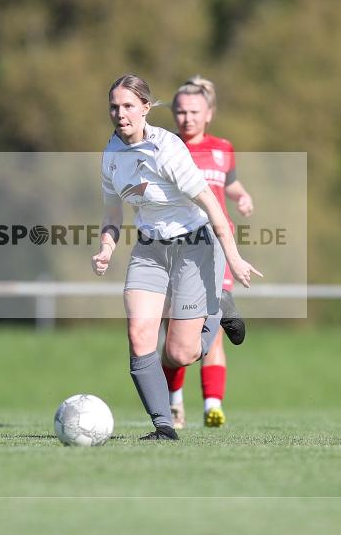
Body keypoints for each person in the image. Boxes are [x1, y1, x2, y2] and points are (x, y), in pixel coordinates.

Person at [92, 74, 262, 441]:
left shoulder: (167, 148)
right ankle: (163, 426)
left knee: (182, 352)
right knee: (139, 335)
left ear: (146, 109)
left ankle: (220, 306)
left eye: (128, 106)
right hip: (150, 249)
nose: (120, 114)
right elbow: (111, 214)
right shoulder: (111, 153)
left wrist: (233, 257)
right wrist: (106, 248)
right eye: (114, 106)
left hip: (195, 244)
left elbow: (211, 204)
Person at [163, 76, 255, 429]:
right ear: (173, 113)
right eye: (181, 111)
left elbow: (228, 183)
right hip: (177, 245)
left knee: (212, 329)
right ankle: (174, 405)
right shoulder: (165, 146)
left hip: (217, 242)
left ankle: (212, 406)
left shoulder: (223, 148)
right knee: (176, 331)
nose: (187, 118)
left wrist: (241, 196)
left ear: (209, 114)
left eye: (194, 112)